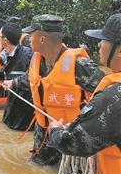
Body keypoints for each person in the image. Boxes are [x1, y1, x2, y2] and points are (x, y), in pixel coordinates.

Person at [47, 13, 121, 174]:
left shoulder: (113, 97)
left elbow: (73, 143)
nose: (99, 47)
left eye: (104, 41)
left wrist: (56, 131)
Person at [8, 14, 105, 165]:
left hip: (71, 136)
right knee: (37, 169)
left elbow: (107, 95)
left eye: (31, 35)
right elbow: (29, 79)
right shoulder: (37, 60)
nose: (28, 38)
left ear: (42, 39)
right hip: (43, 132)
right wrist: (11, 83)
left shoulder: (79, 65)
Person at [0, 22, 35, 130]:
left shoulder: (28, 55)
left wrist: (13, 83)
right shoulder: (8, 54)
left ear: (5, 40)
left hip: (24, 108)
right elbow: (6, 70)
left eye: (0, 37)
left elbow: (34, 78)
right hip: (12, 102)